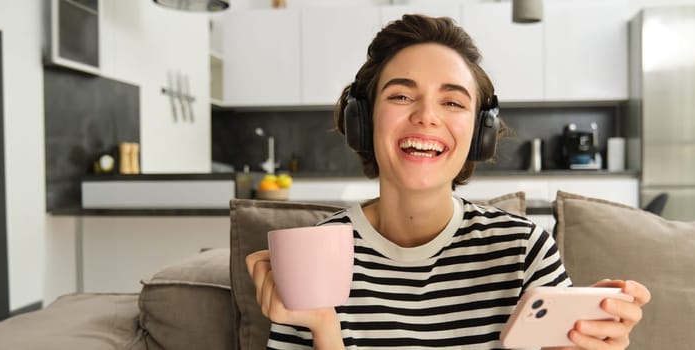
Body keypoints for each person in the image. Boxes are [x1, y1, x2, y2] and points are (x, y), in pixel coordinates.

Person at [246, 14, 651, 349]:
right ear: (362, 121)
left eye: (453, 102)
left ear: (480, 133)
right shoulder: (312, 255)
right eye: (402, 96)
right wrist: (323, 327)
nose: (427, 116)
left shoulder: (524, 250)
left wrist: (587, 338)